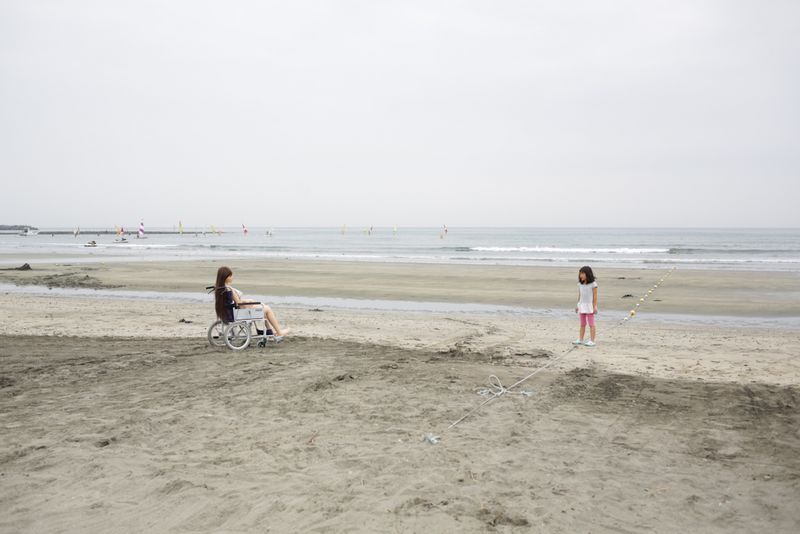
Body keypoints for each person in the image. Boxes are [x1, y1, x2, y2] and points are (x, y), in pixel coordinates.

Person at [214, 266, 290, 337]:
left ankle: (269, 332)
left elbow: (233, 302)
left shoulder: (220, 288)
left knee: (263, 308)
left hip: (230, 312)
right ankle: (279, 332)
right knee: (267, 309)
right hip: (240, 313)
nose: (232, 277)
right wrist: (248, 301)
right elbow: (239, 303)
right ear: (225, 277)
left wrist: (247, 300)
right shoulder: (228, 289)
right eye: (230, 276)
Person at [573, 266, 598, 346]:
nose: (581, 276)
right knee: (582, 324)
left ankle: (592, 341)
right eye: (580, 274)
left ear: (588, 274)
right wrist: (577, 305)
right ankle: (580, 339)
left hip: (589, 306)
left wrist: (595, 307)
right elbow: (580, 295)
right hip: (582, 305)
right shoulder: (580, 284)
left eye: (583, 274)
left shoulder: (593, 284)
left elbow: (595, 297)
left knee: (591, 324)